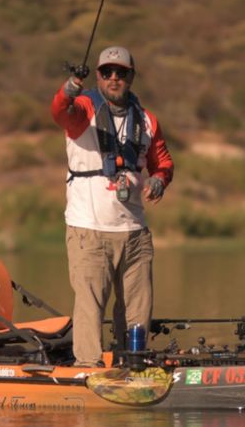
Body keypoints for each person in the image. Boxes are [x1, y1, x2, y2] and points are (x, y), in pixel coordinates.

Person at [51, 45, 174, 367]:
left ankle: (132, 362)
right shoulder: (82, 111)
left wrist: (160, 180)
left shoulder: (147, 120)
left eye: (121, 72)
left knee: (138, 307)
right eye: (107, 72)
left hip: (134, 232)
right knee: (91, 305)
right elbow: (60, 111)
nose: (114, 78)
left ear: (131, 77)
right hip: (89, 230)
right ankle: (88, 368)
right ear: (99, 76)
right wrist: (70, 87)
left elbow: (162, 162)